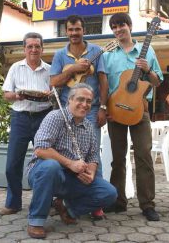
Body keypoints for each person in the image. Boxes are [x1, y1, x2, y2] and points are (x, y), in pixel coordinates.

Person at [27, 83, 117, 239]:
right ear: (69, 100)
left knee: (109, 193)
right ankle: (36, 220)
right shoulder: (55, 117)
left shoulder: (89, 126)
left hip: (71, 177)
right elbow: (40, 149)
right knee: (51, 167)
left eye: (88, 101)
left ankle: (68, 209)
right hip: (44, 172)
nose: (85, 104)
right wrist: (70, 163)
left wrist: (91, 171)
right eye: (80, 99)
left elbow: (93, 156)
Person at [103, 13, 163, 221]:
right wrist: (104, 107)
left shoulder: (147, 51)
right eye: (114, 27)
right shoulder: (109, 54)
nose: (118, 30)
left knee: (144, 155)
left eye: (121, 25)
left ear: (129, 26)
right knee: (117, 158)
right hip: (116, 110)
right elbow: (104, 84)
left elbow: (156, 83)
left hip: (140, 110)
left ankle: (147, 204)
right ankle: (118, 201)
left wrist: (148, 70)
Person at [50, 15, 108, 219]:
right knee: (67, 153)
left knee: (93, 154)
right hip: (66, 111)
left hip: (90, 110)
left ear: (84, 30)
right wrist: (73, 69)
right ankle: (62, 197)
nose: (74, 33)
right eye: (70, 30)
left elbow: (103, 80)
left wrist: (102, 107)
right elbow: (53, 82)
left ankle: (96, 202)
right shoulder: (59, 55)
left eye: (77, 29)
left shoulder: (97, 51)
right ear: (66, 31)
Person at [0, 32, 52, 216]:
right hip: (20, 118)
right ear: (24, 48)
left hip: (44, 118)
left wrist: (49, 95)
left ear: (42, 48)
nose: (33, 49)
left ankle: (46, 202)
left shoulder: (49, 69)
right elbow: (6, 94)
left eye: (37, 46)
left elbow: (55, 95)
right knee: (13, 163)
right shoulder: (15, 67)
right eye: (30, 46)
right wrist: (17, 95)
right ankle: (13, 203)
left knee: (46, 163)